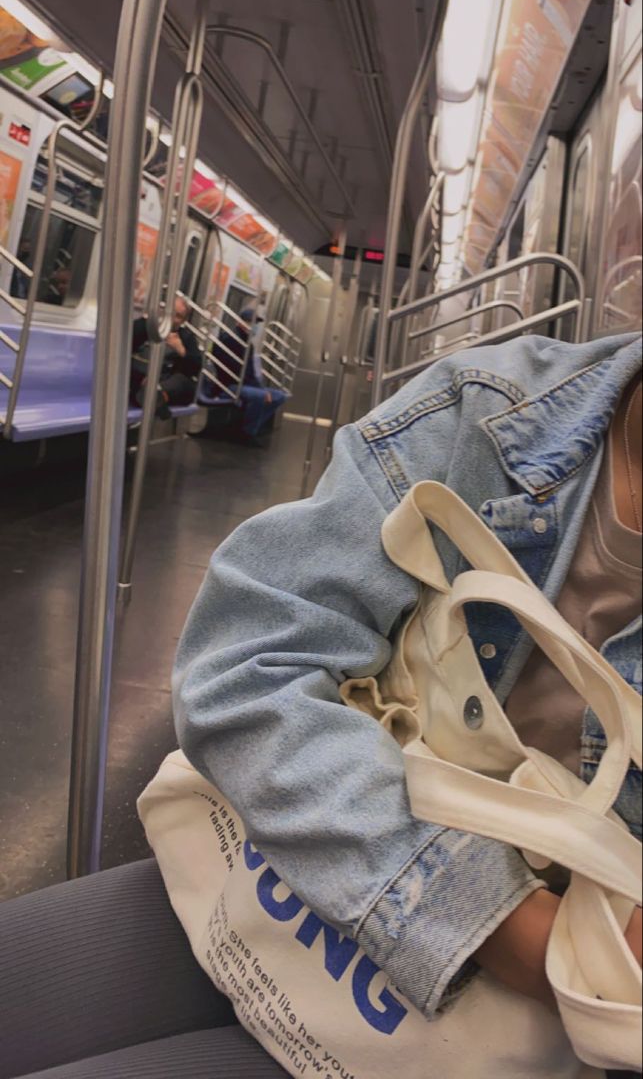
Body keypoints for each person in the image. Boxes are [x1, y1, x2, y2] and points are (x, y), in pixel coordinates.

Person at [0, 332, 640, 1079]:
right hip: (316, 849)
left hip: (534, 1021)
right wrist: (496, 923)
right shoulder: (485, 409)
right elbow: (250, 660)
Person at [207, 306, 287, 443]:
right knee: (260, 396)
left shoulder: (247, 344)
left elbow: (249, 372)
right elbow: (234, 371)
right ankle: (246, 434)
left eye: (256, 323)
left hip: (242, 384)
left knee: (280, 396)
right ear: (240, 322)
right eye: (251, 322)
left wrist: (259, 388)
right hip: (227, 385)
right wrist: (259, 390)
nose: (255, 326)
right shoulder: (229, 339)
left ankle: (250, 426)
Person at [130, 295, 201, 419]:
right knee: (138, 382)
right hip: (140, 380)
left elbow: (196, 367)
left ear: (183, 321)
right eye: (171, 313)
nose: (173, 318)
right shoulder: (145, 327)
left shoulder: (185, 337)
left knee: (184, 383)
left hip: (167, 383)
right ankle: (155, 398)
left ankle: (157, 396)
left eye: (178, 316)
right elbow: (125, 351)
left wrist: (181, 350)